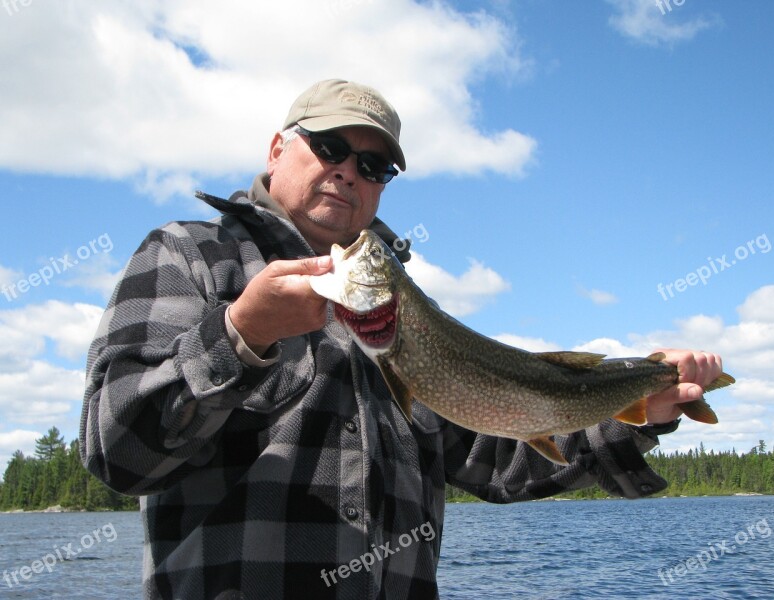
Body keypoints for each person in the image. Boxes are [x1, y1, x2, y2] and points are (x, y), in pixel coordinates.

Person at [80, 79, 725, 600]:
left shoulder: (397, 306)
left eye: (373, 164)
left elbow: (500, 458)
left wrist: (636, 412)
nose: (348, 172)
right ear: (277, 149)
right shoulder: (192, 255)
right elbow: (117, 451)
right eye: (329, 146)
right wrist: (243, 335)